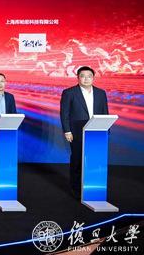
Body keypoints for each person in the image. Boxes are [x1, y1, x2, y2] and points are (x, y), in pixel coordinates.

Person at [60, 65, 109, 199]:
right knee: (77, 159)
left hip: (97, 131)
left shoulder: (101, 93)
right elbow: (64, 113)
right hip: (76, 131)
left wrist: (106, 130)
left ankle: (92, 187)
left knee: (94, 160)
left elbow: (105, 112)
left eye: (89, 76)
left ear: (93, 78)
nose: (86, 79)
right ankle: (75, 188)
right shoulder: (69, 92)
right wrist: (67, 131)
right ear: (78, 78)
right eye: (83, 76)